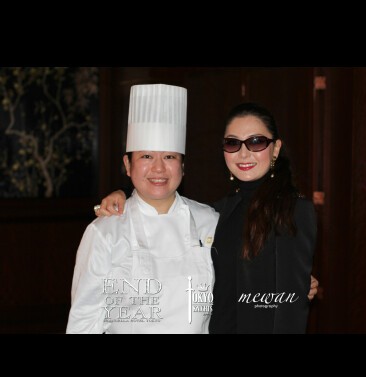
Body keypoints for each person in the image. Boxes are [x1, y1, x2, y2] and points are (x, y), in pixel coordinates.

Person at [98, 102, 318, 334]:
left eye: (256, 142)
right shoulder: (218, 211)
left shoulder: (293, 211)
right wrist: (123, 193)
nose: (243, 153)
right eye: (233, 143)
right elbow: (166, 207)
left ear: (275, 148)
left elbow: (289, 312)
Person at [67, 84, 219, 334]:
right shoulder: (105, 232)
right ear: (128, 165)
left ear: (183, 165)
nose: (159, 168)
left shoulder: (209, 221)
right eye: (146, 157)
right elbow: (84, 321)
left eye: (169, 157)